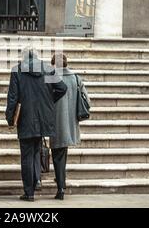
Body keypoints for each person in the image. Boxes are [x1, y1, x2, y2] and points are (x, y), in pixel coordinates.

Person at [5, 47, 67, 201]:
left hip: (25, 118)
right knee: (35, 150)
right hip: (43, 118)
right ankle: (34, 184)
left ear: (23, 57)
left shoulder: (17, 71)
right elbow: (62, 88)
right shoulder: (47, 70)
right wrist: (49, 101)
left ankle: (29, 192)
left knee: (26, 155)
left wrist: (10, 118)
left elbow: (12, 98)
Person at [50, 53, 90, 200]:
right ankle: (61, 181)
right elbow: (88, 100)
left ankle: (60, 187)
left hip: (56, 123)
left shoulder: (52, 77)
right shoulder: (76, 78)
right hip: (71, 123)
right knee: (62, 153)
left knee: (57, 155)